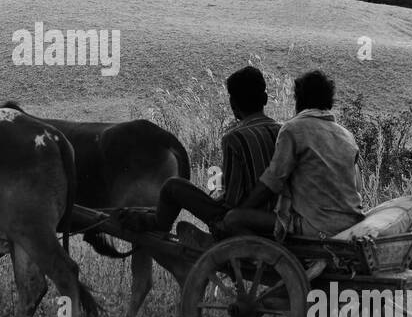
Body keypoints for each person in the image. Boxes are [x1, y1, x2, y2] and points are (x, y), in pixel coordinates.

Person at [123, 66, 279, 238]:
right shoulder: (283, 132)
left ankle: (158, 225)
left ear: (233, 105)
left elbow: (233, 201)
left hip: (241, 220)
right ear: (265, 98)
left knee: (172, 186)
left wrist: (212, 203)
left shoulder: (234, 139)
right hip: (274, 219)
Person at [223, 70, 365, 240]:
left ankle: (265, 258)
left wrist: (242, 210)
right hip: (352, 223)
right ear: (329, 101)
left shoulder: (293, 129)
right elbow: (356, 187)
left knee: (233, 220)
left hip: (315, 225)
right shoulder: (346, 135)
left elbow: (273, 181)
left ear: (298, 100)